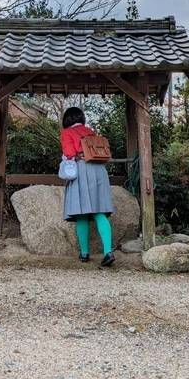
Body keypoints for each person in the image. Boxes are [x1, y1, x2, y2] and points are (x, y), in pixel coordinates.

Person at [60, 106, 115, 267]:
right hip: (99, 170)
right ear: (81, 118)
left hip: (81, 169)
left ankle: (84, 253)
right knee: (99, 211)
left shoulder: (67, 133)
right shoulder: (91, 131)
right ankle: (108, 252)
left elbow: (69, 153)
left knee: (81, 212)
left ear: (67, 119)